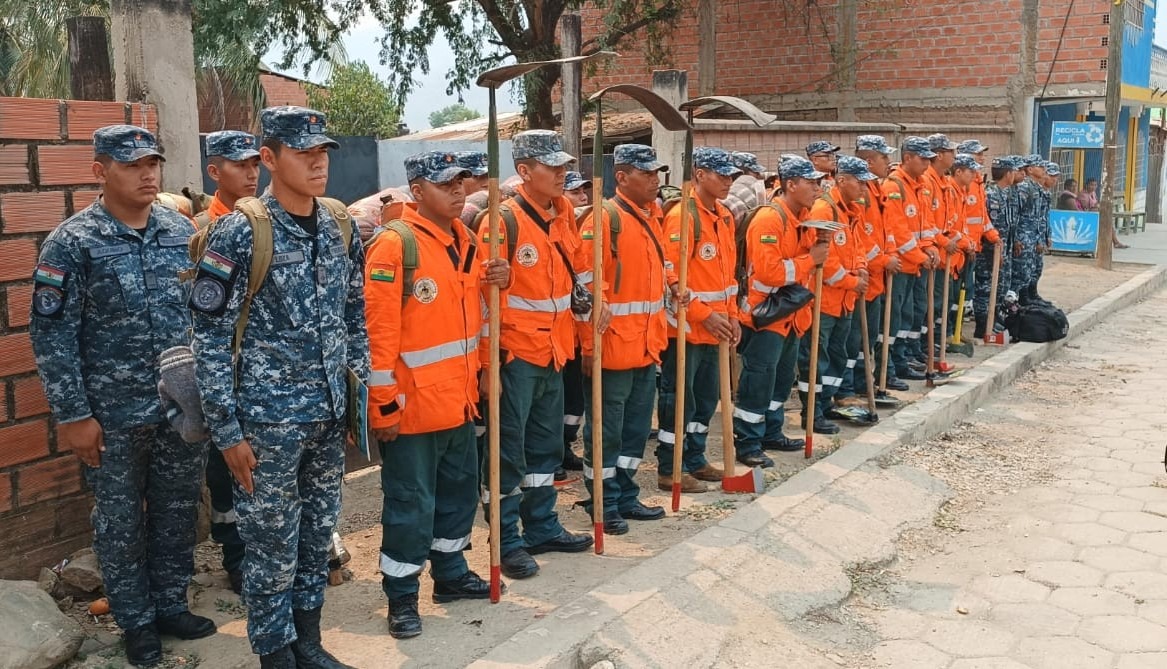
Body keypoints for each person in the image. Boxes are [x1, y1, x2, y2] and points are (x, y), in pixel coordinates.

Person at [189, 106, 369, 669]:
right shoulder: (242, 231)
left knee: (316, 538)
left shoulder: (340, 225)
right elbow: (210, 337)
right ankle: (274, 654)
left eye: (323, 153)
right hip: (266, 425)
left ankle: (307, 644)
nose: (318, 164)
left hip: (326, 417)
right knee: (270, 547)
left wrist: (355, 402)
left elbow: (354, 315)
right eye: (303, 153)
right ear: (269, 158)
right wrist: (227, 432)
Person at [30, 125, 216, 667]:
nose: (147, 174)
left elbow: (203, 314)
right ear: (100, 171)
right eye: (132, 165)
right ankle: (136, 622)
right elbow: (52, 336)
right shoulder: (72, 242)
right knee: (119, 522)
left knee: (177, 510)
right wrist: (74, 415)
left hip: (179, 408)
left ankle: (170, 605)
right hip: (112, 415)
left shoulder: (179, 231)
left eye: (152, 163)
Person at [366, 151, 510, 638]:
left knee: (457, 496)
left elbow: (481, 316)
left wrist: (487, 366)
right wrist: (383, 406)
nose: (456, 190)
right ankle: (402, 597)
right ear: (417, 190)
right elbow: (378, 337)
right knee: (411, 505)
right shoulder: (395, 246)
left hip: (459, 402)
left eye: (460, 181)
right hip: (412, 409)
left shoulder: (466, 241)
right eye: (444, 183)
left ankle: (449, 575)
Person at [478, 130, 594, 578]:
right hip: (516, 357)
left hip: (554, 351)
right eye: (552, 166)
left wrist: (588, 324)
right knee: (508, 453)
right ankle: (506, 540)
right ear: (524, 171)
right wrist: (489, 364)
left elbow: (575, 277)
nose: (562, 174)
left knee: (546, 449)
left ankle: (542, 525)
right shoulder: (502, 221)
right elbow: (482, 301)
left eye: (564, 166)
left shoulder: (563, 214)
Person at [577, 144, 679, 533]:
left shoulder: (652, 217)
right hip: (613, 347)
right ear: (621, 177)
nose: (655, 180)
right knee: (606, 432)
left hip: (647, 346)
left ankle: (626, 494)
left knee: (636, 429)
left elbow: (661, 264)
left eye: (656, 173)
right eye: (646, 173)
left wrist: (674, 285)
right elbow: (587, 288)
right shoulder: (605, 219)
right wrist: (590, 347)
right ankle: (603, 502)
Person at [733, 155, 828, 468]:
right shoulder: (769, 220)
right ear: (791, 184)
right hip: (766, 315)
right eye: (811, 182)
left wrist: (818, 247)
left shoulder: (803, 218)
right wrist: (811, 259)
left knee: (782, 380)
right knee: (758, 381)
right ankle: (747, 441)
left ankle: (771, 431)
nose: (817, 188)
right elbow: (771, 272)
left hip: (791, 315)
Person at [199, 130, 261, 594]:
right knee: (226, 472)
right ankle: (236, 555)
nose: (251, 173)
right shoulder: (203, 230)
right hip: (225, 372)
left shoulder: (270, 225)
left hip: (268, 377)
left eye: (255, 163)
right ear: (214, 172)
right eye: (239, 165)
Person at [657, 147, 739, 493]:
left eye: (731, 176)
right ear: (700, 175)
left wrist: (732, 316)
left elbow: (727, 276)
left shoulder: (724, 216)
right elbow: (672, 278)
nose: (728, 182)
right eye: (721, 175)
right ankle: (669, 467)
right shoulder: (683, 217)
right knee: (679, 401)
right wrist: (705, 315)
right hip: (687, 330)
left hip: (717, 329)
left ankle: (695, 458)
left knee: (706, 401)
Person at [800, 156, 871, 433]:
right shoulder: (824, 210)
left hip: (844, 300)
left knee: (837, 355)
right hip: (824, 299)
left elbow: (857, 246)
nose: (864, 187)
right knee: (816, 359)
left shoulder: (850, 211)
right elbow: (824, 260)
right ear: (842, 180)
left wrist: (861, 268)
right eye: (860, 181)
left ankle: (827, 401)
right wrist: (851, 281)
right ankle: (813, 411)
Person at [848, 135, 905, 395]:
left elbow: (886, 229)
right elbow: (861, 237)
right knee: (856, 338)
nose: (888, 161)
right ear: (869, 161)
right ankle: (853, 386)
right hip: (864, 275)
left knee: (869, 335)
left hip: (878, 275)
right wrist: (883, 259)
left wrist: (890, 254)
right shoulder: (861, 193)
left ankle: (866, 382)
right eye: (884, 157)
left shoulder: (876, 188)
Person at [882, 137, 938, 381]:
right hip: (901, 264)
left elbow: (925, 223)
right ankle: (891, 366)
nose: (927, 163)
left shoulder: (920, 184)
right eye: (922, 158)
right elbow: (898, 229)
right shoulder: (894, 186)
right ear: (907, 158)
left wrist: (930, 246)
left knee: (908, 314)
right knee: (895, 317)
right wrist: (918, 255)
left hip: (915, 262)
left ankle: (902, 359)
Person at [974, 157, 1019, 338]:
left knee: (1000, 286)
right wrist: (995, 251)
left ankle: (993, 319)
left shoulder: (1005, 194)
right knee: (985, 289)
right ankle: (983, 324)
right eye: (1013, 172)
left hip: (1001, 248)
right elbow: (990, 225)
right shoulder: (991, 194)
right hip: (988, 252)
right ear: (1008, 174)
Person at [1011, 155, 1046, 304]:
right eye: (1040, 166)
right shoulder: (1024, 187)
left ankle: (1027, 298)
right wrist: (1016, 238)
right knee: (1020, 271)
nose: (1044, 169)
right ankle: (1018, 301)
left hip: (1031, 236)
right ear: (1030, 169)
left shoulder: (1035, 187)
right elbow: (1016, 214)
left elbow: (1037, 216)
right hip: (1023, 236)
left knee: (1028, 270)